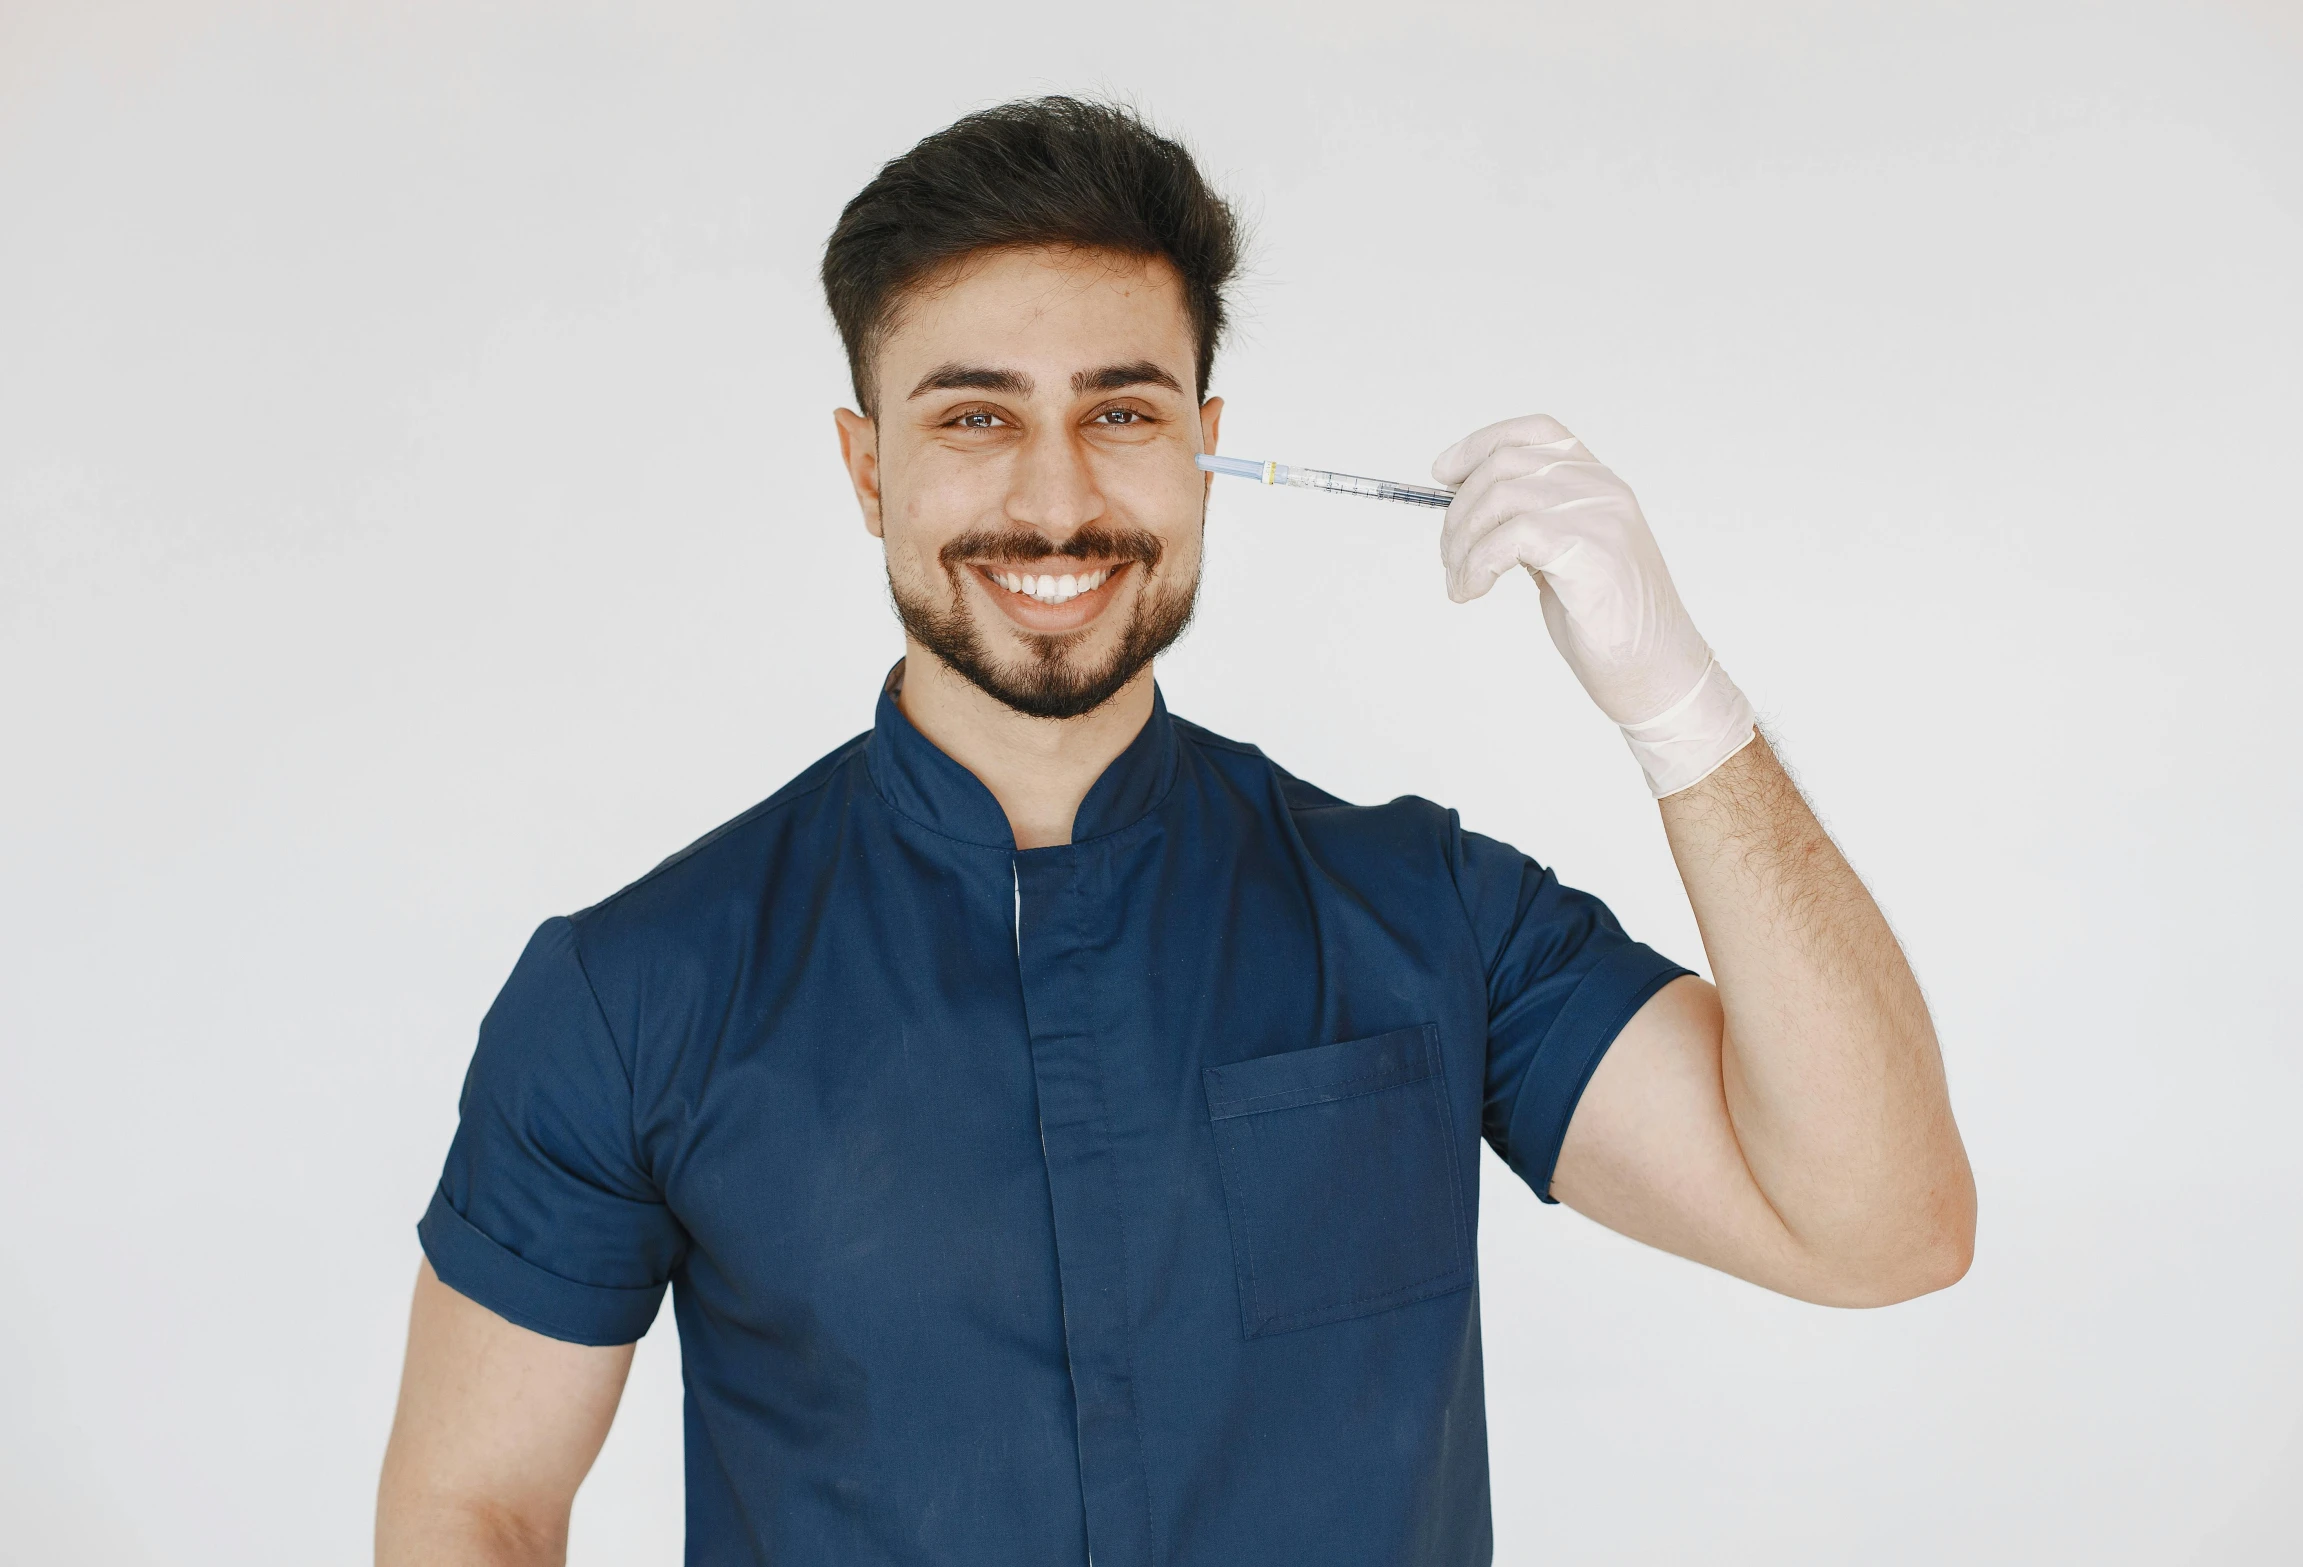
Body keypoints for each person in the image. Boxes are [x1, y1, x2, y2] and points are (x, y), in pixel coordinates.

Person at [376, 96, 1973, 1567]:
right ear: (868, 468)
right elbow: (475, 1501)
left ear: (1205, 440)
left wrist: (1680, 703)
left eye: (1121, 413)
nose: (1057, 501)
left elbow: (1880, 1228)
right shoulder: (634, 991)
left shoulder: (1428, 915)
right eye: (975, 419)